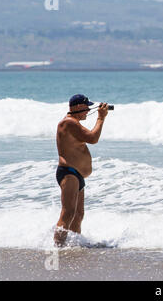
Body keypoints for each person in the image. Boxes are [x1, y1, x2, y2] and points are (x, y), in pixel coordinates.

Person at [54, 94, 109, 247]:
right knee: (68, 212)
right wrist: (101, 117)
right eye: (86, 108)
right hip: (68, 173)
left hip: (77, 175)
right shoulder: (68, 122)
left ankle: (73, 245)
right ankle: (57, 247)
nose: (88, 111)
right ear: (78, 107)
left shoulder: (74, 123)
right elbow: (92, 138)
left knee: (78, 215)